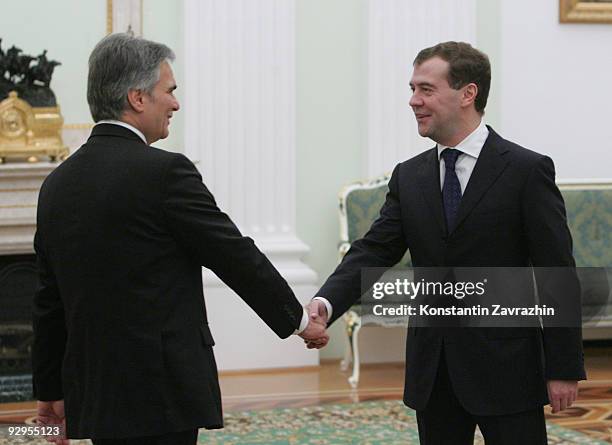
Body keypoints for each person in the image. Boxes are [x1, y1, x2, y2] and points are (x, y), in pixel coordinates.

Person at [32, 33, 328, 445]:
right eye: (169, 91)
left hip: (97, 391)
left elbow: (50, 301)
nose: (175, 103)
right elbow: (231, 253)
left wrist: (49, 390)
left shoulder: (56, 185)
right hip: (161, 392)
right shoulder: (165, 173)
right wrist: (297, 320)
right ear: (138, 98)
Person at [307, 41, 585, 444]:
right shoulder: (409, 176)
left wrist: (563, 366)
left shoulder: (526, 170)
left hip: (507, 366)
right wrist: (326, 303)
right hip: (433, 369)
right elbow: (374, 249)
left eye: (426, 89)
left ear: (468, 93)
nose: (413, 101)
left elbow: (557, 271)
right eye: (412, 89)